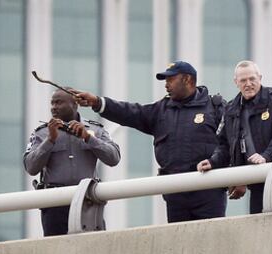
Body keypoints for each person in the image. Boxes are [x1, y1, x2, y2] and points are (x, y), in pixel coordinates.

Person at [71, 61, 227, 223]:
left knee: (211, 244)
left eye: (171, 80)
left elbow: (230, 143)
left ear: (188, 80)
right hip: (175, 193)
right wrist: (97, 102)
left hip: (209, 191)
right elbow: (130, 113)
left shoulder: (214, 108)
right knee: (180, 245)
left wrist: (238, 179)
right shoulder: (161, 110)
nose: (166, 85)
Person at [197, 60, 272, 214]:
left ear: (260, 78)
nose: (248, 84)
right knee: (261, 228)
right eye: (243, 80)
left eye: (252, 79)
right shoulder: (231, 109)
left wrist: (266, 156)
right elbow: (225, 145)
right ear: (236, 82)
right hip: (257, 178)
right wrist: (213, 161)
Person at [24, 88, 121, 236]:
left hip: (87, 202)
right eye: (52, 103)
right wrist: (50, 140)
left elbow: (114, 158)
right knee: (57, 251)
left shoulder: (95, 129)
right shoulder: (42, 133)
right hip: (54, 203)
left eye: (59, 102)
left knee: (92, 249)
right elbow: (31, 167)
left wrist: (89, 138)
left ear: (74, 105)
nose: (54, 107)